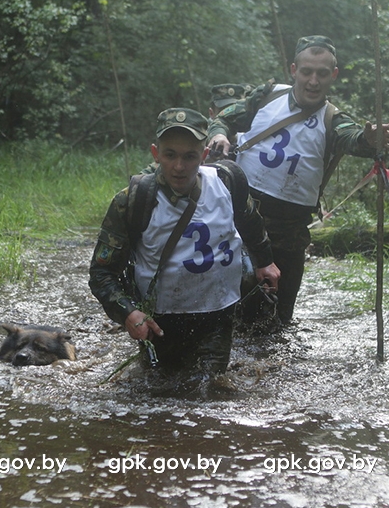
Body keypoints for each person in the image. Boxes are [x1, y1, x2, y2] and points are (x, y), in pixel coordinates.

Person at [207, 35, 389, 326]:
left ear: (333, 75)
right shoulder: (267, 96)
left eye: (322, 73)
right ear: (294, 70)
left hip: (289, 230)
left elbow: (354, 139)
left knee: (279, 322)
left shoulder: (333, 119)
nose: (313, 81)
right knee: (221, 311)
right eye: (307, 72)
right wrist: (218, 135)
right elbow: (223, 119)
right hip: (237, 216)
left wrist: (371, 139)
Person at [89, 108, 280, 376]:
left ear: (203, 156)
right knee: (160, 391)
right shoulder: (133, 200)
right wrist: (129, 313)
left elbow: (250, 221)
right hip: (160, 321)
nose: (179, 167)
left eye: (189, 157)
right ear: (156, 154)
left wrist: (265, 261)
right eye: (170, 155)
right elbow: (101, 273)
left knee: (210, 388)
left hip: (218, 314)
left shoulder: (227, 181)